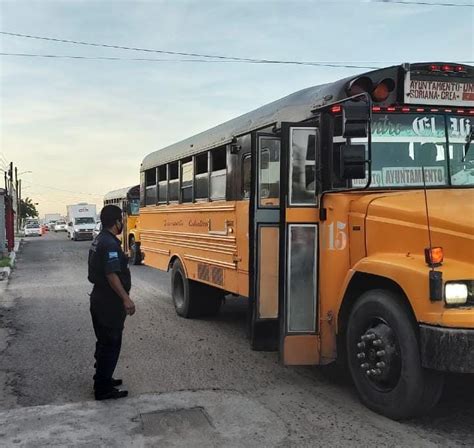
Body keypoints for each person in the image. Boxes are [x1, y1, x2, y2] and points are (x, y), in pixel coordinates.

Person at [88, 205, 136, 400]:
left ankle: (103, 378)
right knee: (111, 343)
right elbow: (111, 274)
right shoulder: (109, 243)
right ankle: (103, 388)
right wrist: (126, 299)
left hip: (99, 299)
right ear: (116, 222)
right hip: (108, 302)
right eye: (121, 220)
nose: (123, 223)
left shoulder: (100, 239)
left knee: (104, 342)